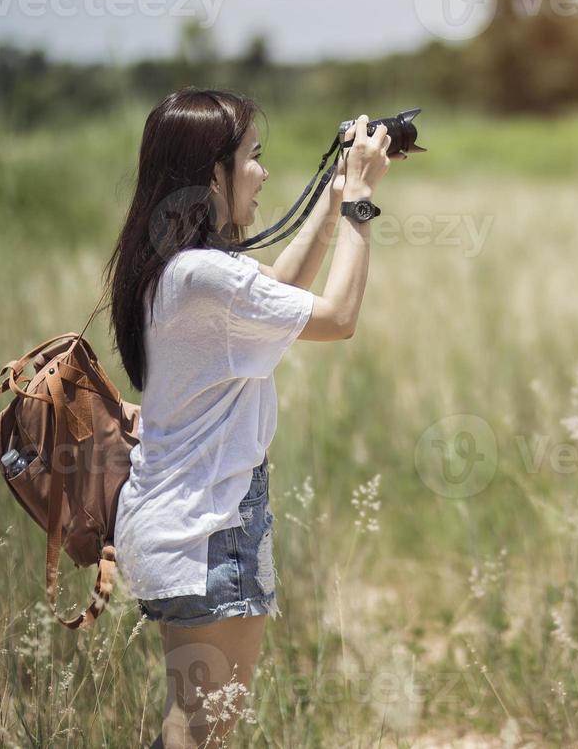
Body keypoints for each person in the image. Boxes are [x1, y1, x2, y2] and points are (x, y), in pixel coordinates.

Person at [104, 87, 401, 747]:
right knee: (203, 728)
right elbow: (338, 317)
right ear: (212, 172)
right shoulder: (208, 275)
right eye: (253, 158)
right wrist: (358, 202)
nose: (264, 174)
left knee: (192, 723)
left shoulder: (173, 268)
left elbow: (280, 299)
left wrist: (328, 210)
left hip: (174, 519)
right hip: (211, 526)